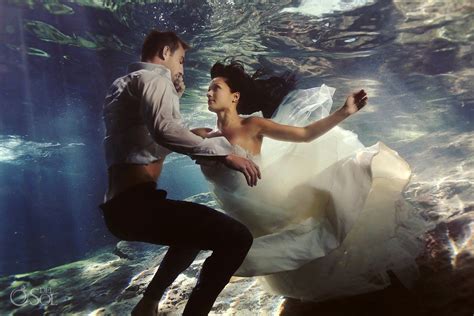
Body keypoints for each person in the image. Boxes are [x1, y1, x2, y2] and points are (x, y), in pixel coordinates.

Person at [194, 61, 427, 301]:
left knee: (311, 235)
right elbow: (163, 135)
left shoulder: (252, 125)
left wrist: (344, 112)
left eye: (216, 88)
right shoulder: (202, 136)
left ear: (235, 97)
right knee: (280, 260)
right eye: (208, 90)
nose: (209, 93)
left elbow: (305, 135)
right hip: (247, 216)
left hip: (271, 203)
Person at [98, 32, 262, 316]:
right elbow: (165, 131)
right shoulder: (154, 80)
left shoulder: (122, 85)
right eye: (181, 60)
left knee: (192, 236)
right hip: (136, 205)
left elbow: (144, 142)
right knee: (237, 238)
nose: (181, 69)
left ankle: (148, 304)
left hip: (119, 207)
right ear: (164, 52)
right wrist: (224, 155)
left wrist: (175, 95)